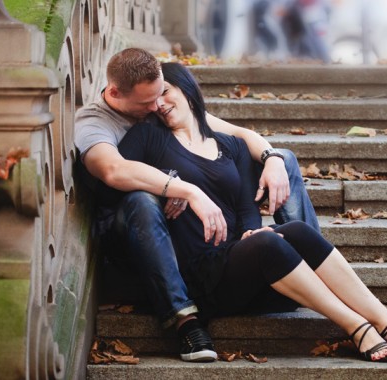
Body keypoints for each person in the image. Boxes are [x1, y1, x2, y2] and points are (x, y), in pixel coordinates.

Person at [116, 61, 387, 363]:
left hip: (236, 264)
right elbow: (116, 181)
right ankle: (358, 328)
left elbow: (245, 207)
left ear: (186, 88)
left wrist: (252, 230)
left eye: (165, 92)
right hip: (198, 277)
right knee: (268, 244)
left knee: (296, 233)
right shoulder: (148, 138)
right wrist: (167, 182)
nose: (159, 104)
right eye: (153, 99)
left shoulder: (231, 146)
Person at [74, 48, 318, 362]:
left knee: (283, 158)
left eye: (161, 93)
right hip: (127, 228)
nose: (157, 107)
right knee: (142, 198)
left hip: (178, 222)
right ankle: (184, 320)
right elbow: (113, 170)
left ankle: (307, 261)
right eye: (147, 102)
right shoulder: (94, 121)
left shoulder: (156, 103)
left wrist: (271, 159)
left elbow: (238, 134)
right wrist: (178, 186)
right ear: (114, 93)